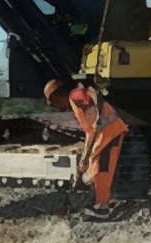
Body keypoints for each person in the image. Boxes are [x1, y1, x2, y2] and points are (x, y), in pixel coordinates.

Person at [44, 79, 129, 219]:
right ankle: (97, 201)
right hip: (104, 134)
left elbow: (93, 93)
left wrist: (100, 116)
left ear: (57, 95)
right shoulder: (75, 105)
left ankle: (102, 208)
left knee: (100, 169)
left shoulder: (75, 95)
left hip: (110, 131)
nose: (57, 107)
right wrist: (84, 157)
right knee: (94, 167)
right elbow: (90, 132)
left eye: (54, 103)